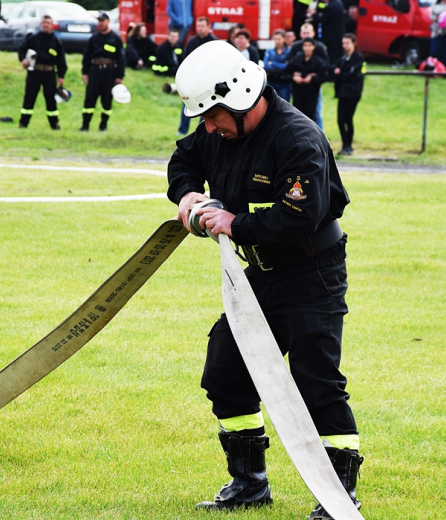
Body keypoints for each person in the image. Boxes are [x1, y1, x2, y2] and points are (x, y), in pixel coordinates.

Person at [167, 39, 362, 520]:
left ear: (237, 97)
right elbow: (184, 159)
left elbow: (300, 213)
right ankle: (249, 483)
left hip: (311, 269)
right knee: (226, 369)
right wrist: (189, 195)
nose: (207, 128)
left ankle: (338, 495)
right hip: (258, 273)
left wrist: (236, 224)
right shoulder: (219, 129)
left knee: (316, 379)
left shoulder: (296, 138)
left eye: (212, 117)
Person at [18, 15, 66, 130]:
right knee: (29, 97)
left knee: (51, 99)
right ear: (40, 24)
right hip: (35, 71)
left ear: (51, 25)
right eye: (44, 22)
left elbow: (61, 59)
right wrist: (23, 59)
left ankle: (54, 123)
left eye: (48, 23)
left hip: (49, 73)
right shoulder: (33, 38)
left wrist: (61, 75)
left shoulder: (56, 41)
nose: (45, 24)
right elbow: (22, 48)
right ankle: (23, 123)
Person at [80, 12, 125, 132]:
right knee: (90, 98)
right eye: (99, 21)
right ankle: (85, 125)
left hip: (109, 72)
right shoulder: (94, 38)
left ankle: (103, 125)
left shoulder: (115, 38)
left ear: (108, 21)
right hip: (95, 71)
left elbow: (121, 58)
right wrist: (85, 72)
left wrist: (119, 76)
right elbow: (87, 56)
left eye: (103, 21)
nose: (101, 23)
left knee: (106, 99)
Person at [177, 16, 216, 135]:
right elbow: (185, 59)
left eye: (202, 26)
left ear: (208, 27)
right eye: (198, 26)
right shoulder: (192, 41)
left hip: (206, 80)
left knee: (205, 107)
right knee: (186, 104)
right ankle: (182, 130)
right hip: (192, 79)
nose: (199, 28)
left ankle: (202, 132)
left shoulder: (213, 42)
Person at [288, 23, 330, 129]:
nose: (306, 35)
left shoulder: (319, 47)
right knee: (296, 113)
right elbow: (289, 64)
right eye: (304, 33)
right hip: (298, 87)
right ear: (300, 34)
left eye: (308, 33)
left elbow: (325, 67)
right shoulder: (296, 46)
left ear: (313, 33)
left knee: (316, 112)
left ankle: (320, 136)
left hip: (313, 87)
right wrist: (294, 75)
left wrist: (314, 77)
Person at [332, 33, 365, 156]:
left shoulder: (359, 58)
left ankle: (348, 145)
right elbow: (334, 67)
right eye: (343, 43)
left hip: (353, 92)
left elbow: (353, 73)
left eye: (347, 43)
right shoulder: (343, 58)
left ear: (353, 43)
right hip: (342, 92)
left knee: (348, 119)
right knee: (340, 119)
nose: (345, 46)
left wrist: (341, 73)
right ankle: (344, 144)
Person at [287, 38, 325, 120]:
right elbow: (286, 72)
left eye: (309, 46)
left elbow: (324, 76)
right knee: (297, 117)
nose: (307, 48)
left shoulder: (318, 61)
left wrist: (312, 78)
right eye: (305, 46)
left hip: (311, 94)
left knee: (309, 118)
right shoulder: (296, 60)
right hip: (298, 93)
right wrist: (293, 77)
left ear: (314, 47)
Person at [263, 29, 292, 101]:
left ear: (284, 39)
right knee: (270, 103)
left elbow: (288, 67)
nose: (277, 41)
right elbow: (266, 66)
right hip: (272, 81)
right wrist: (282, 66)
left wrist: (273, 63)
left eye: (279, 39)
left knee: (284, 104)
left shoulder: (289, 51)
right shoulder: (269, 50)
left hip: (285, 82)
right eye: (275, 39)